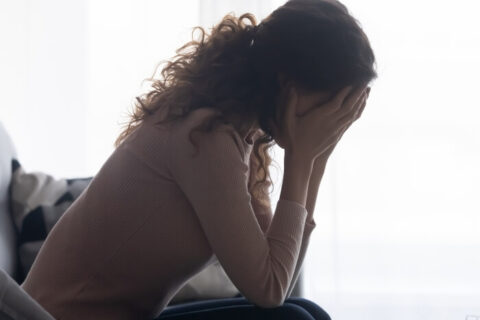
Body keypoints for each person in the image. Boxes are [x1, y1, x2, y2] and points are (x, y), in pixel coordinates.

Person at [21, 0, 376, 319]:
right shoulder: (207, 136)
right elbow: (268, 289)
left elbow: (279, 269)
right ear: (288, 84)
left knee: (306, 312)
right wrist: (303, 157)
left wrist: (317, 157)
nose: (329, 120)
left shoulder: (240, 133)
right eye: (330, 106)